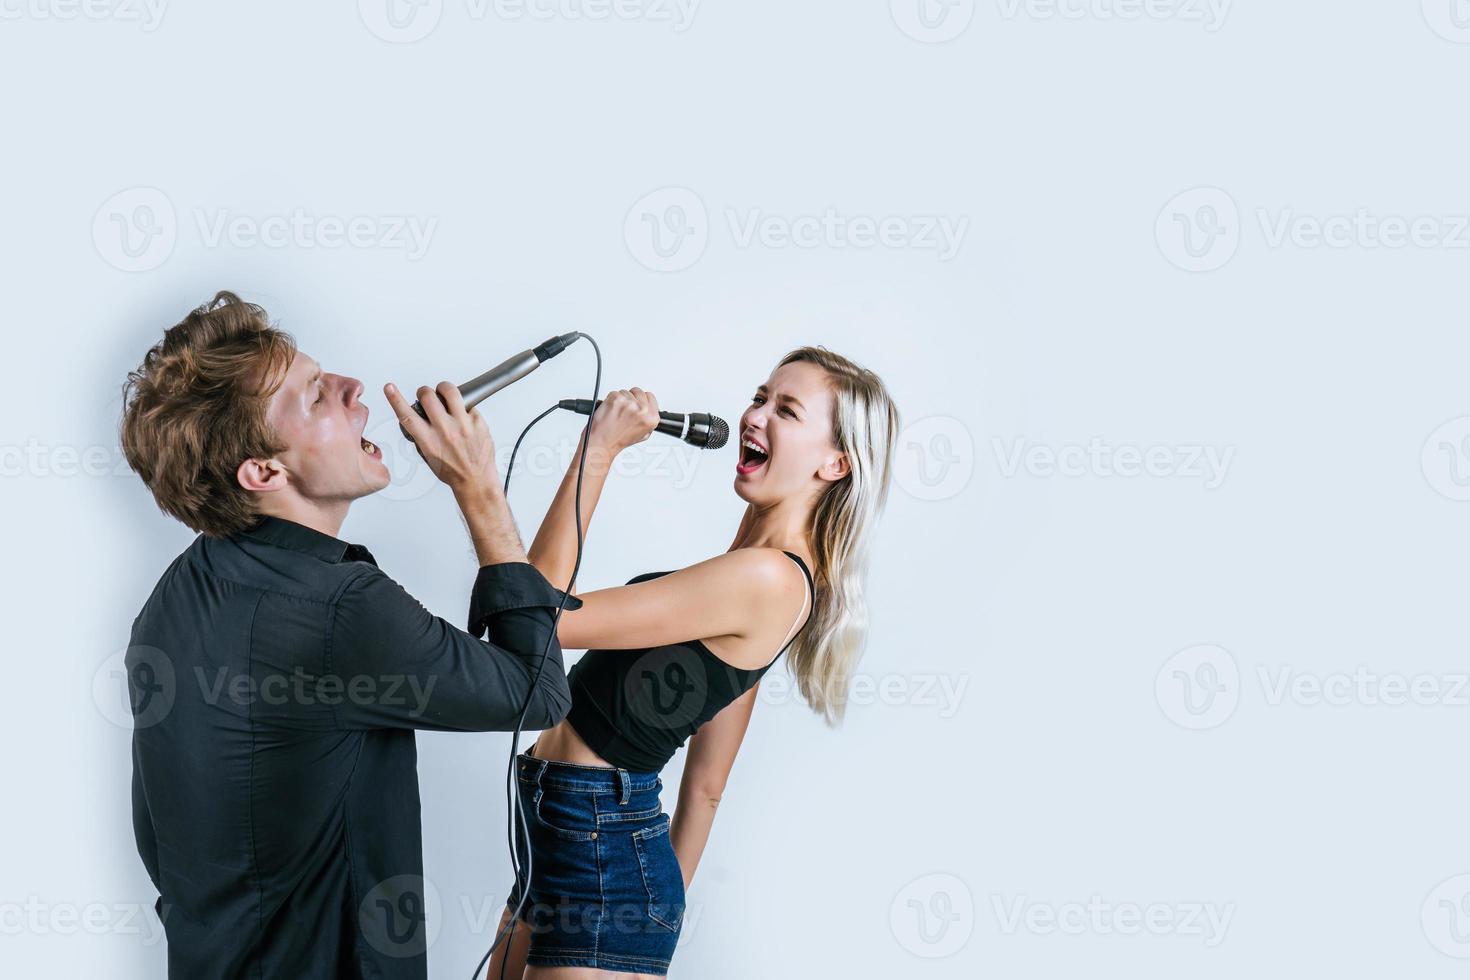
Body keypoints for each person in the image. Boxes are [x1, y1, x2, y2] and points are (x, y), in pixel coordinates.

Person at [119, 291, 579, 979]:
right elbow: (537, 693)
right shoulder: (339, 609)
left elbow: (161, 843)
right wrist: (478, 487)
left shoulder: (172, 597)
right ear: (263, 472)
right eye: (316, 397)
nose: (351, 386)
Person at [486, 347, 899, 978]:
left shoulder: (766, 578)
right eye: (760, 397)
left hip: (601, 852)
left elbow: (538, 617)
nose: (756, 416)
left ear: (835, 462)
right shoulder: (765, 578)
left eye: (786, 410)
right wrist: (654, 922)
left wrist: (598, 452)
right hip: (566, 845)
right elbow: (705, 789)